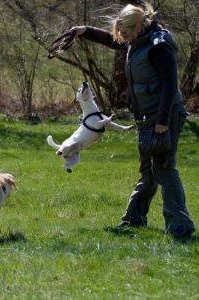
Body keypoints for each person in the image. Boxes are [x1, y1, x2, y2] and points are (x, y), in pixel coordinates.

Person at [68, 2, 195, 238]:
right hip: (148, 115)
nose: (122, 37)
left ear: (138, 26)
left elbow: (170, 85)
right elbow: (113, 41)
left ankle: (181, 227)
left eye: (125, 33)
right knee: (148, 171)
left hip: (164, 114)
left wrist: (163, 121)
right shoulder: (137, 42)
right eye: (121, 33)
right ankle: (133, 220)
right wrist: (84, 30)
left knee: (164, 168)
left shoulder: (158, 46)